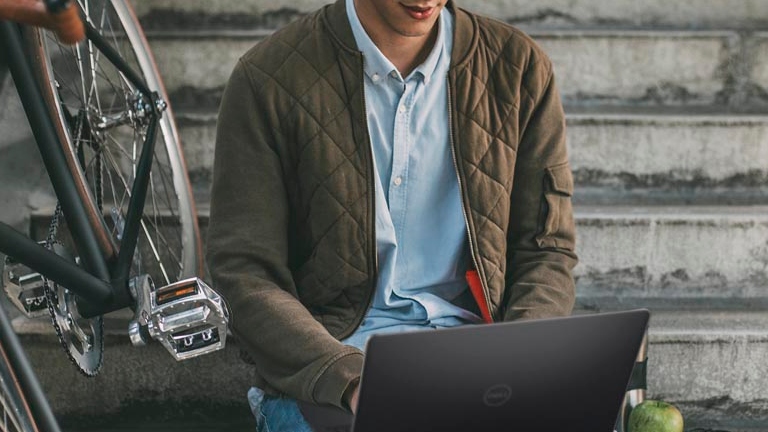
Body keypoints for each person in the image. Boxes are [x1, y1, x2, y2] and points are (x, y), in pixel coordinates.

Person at [206, 0, 578, 429]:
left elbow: (545, 248)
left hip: (479, 363)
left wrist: (517, 358)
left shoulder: (519, 68)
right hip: (331, 369)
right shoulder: (267, 79)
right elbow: (245, 271)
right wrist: (349, 379)